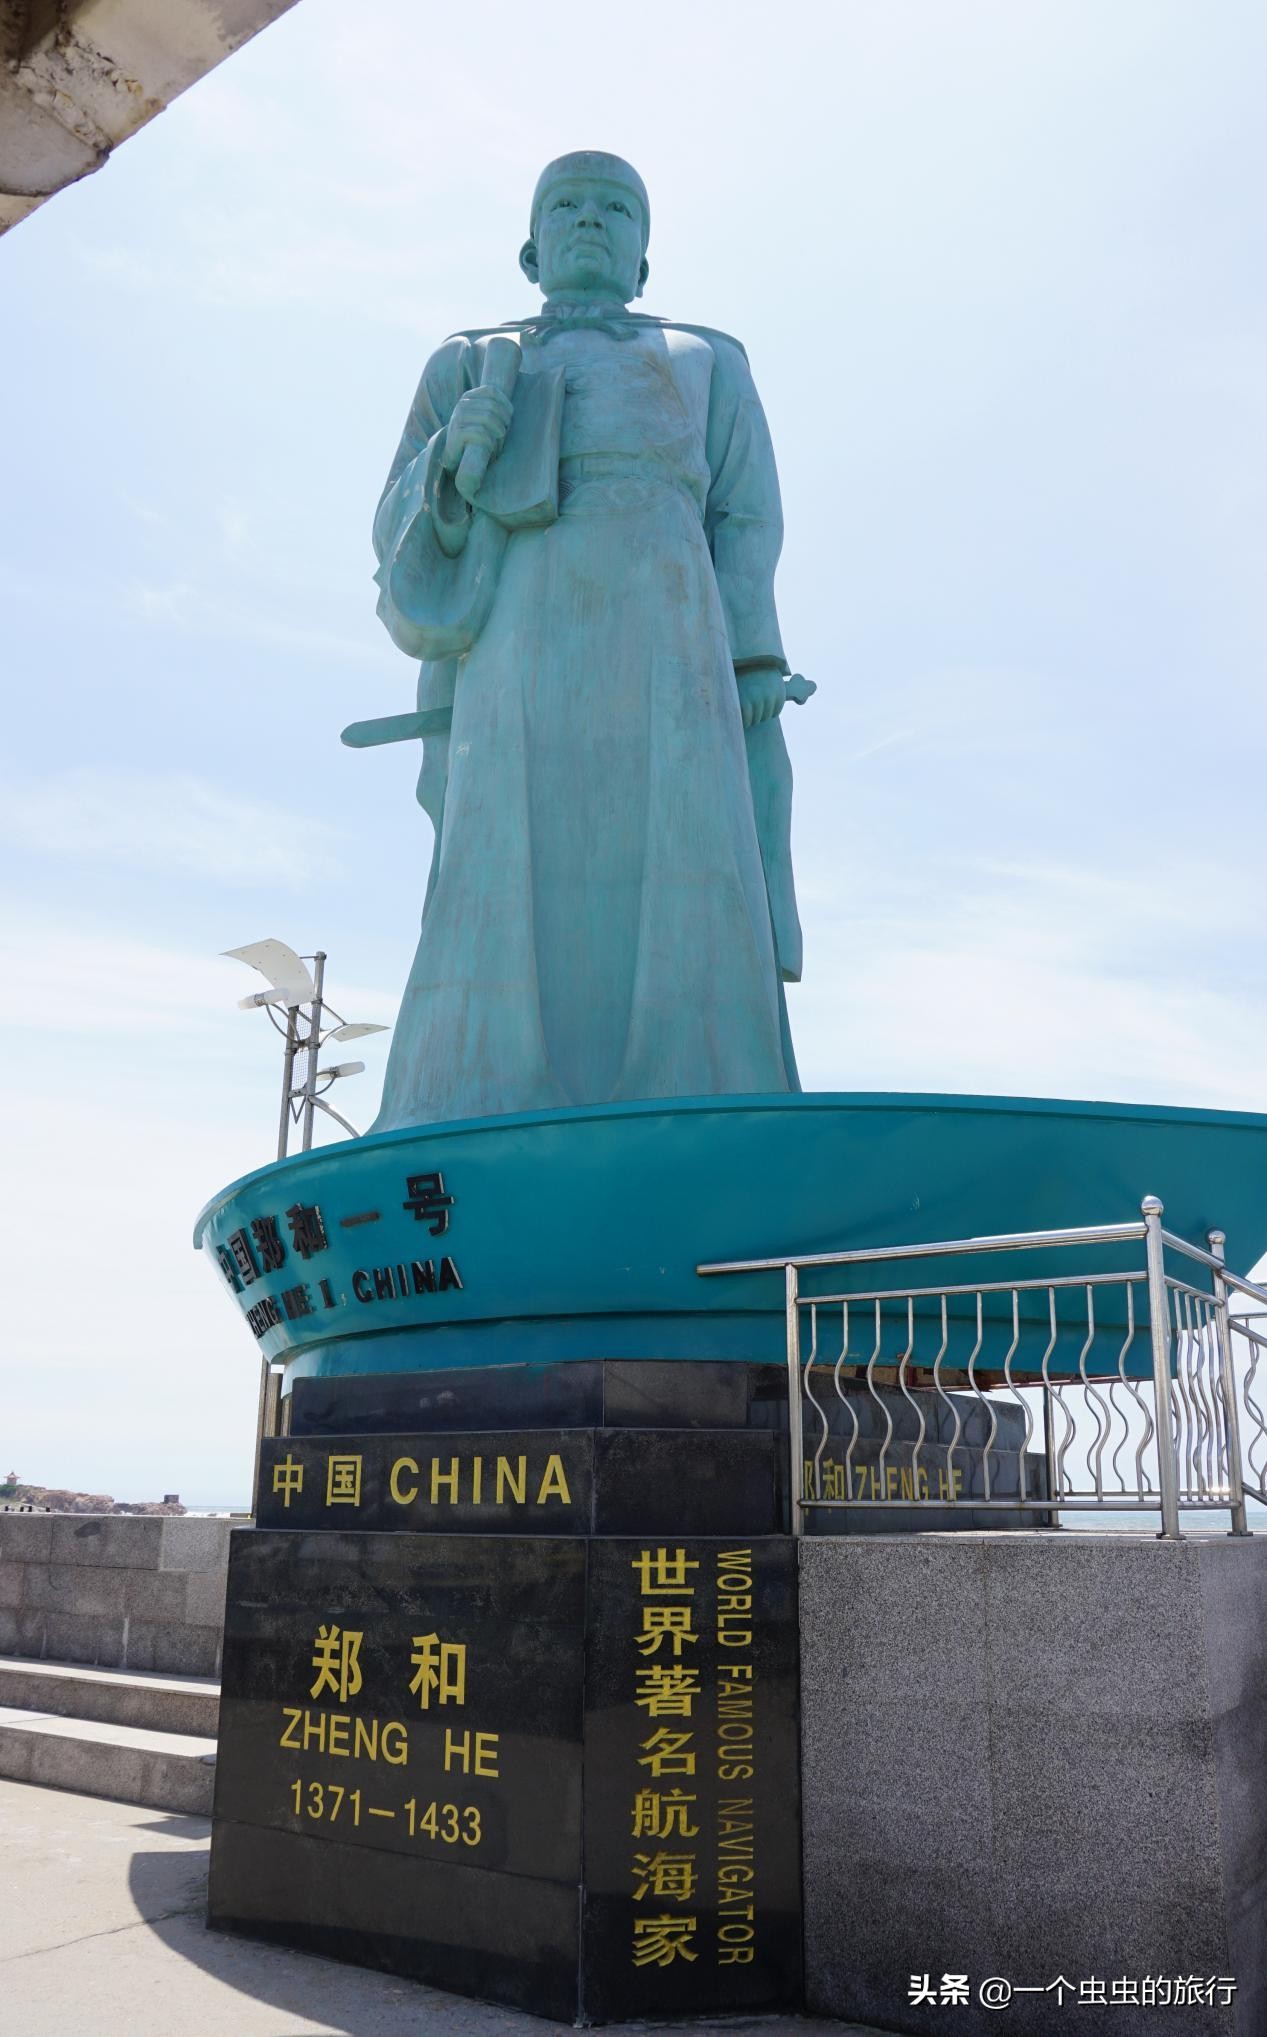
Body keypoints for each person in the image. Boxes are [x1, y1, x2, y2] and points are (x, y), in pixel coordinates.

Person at [367, 150, 808, 1130]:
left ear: (644, 258)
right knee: (503, 843)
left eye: (615, 207)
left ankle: (699, 1089)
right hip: (519, 628)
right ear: (530, 250)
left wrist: (753, 658)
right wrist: (456, 460)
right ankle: (477, 1091)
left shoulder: (708, 358)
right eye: (565, 205)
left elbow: (745, 517)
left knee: (690, 843)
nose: (590, 219)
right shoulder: (470, 358)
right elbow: (396, 516)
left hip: (674, 627)